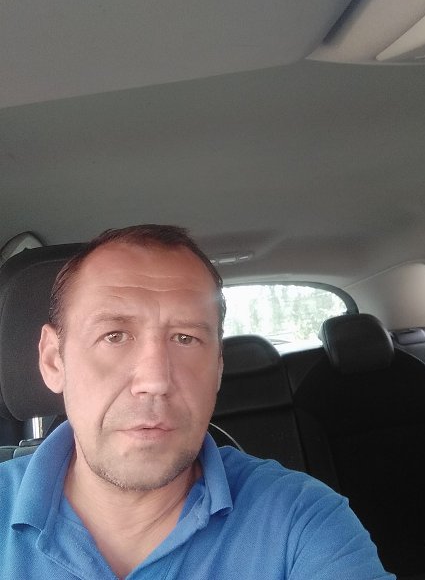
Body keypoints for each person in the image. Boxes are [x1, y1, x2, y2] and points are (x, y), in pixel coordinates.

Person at [0, 224, 395, 579]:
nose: (155, 381)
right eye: (114, 336)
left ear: (218, 368)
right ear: (53, 361)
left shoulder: (302, 521)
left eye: (186, 339)